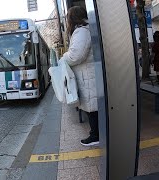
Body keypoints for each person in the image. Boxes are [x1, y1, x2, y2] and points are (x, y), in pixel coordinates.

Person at [60, 6, 99, 146]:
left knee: (92, 106)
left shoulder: (81, 31)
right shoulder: (86, 29)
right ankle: (96, 134)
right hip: (89, 73)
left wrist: (64, 57)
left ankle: (95, 136)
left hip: (88, 75)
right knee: (92, 106)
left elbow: (75, 56)